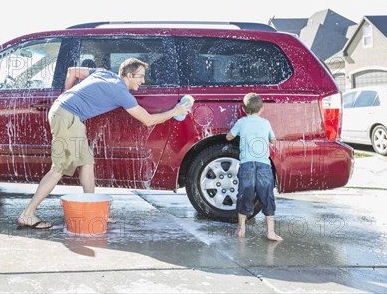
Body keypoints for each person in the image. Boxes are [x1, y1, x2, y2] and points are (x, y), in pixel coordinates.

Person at [17, 58, 192, 229]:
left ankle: (92, 211)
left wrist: (66, 94)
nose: (143, 81)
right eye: (140, 76)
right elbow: (147, 120)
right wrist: (175, 111)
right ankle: (27, 214)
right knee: (59, 169)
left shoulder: (103, 73)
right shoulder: (121, 92)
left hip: (67, 115)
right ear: (129, 75)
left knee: (86, 163)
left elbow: (72, 71)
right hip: (67, 117)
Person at [226, 92, 283, 241]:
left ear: (244, 109)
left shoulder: (241, 122)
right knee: (267, 196)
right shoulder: (266, 123)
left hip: (246, 165)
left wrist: (236, 134)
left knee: (244, 195)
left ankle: (241, 229)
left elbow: (229, 136)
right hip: (263, 165)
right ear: (262, 108)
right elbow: (273, 139)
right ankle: (270, 232)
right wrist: (270, 140)